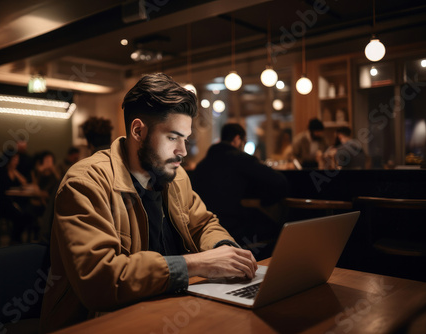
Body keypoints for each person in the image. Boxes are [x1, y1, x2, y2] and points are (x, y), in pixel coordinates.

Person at [40, 73, 257, 333]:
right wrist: (198, 263)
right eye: (172, 138)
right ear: (138, 131)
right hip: (100, 321)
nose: (183, 151)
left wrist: (226, 252)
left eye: (185, 139)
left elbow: (203, 224)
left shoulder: (175, 177)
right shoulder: (85, 183)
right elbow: (99, 280)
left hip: (168, 309)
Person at [192, 123, 289, 253]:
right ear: (237, 139)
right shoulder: (240, 159)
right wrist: (265, 201)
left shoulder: (202, 164)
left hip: (203, 228)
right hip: (233, 226)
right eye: (244, 141)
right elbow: (280, 182)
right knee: (278, 228)